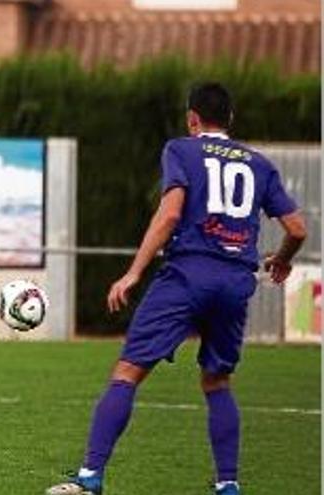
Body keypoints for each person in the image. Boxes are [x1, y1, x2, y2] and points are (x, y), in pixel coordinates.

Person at [45, 82, 306, 495]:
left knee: (127, 372)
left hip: (188, 274)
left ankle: (90, 478)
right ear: (231, 119)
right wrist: (283, 259)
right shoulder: (259, 164)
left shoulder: (182, 149)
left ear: (192, 119)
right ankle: (227, 485)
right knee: (217, 383)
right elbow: (297, 228)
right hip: (237, 281)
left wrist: (133, 272)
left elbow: (169, 216)